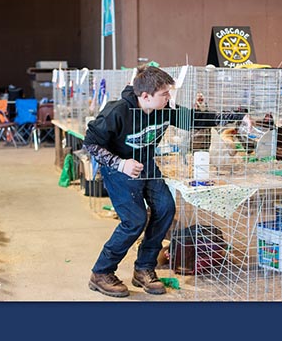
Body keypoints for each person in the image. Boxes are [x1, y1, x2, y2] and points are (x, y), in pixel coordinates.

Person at [83, 66, 251, 297]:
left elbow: (195, 119)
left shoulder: (165, 109)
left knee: (165, 208)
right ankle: (101, 272)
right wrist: (121, 164)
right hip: (119, 169)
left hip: (147, 165)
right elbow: (90, 144)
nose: (169, 98)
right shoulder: (117, 111)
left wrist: (238, 116)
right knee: (135, 221)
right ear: (145, 96)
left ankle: (144, 268)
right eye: (164, 94)